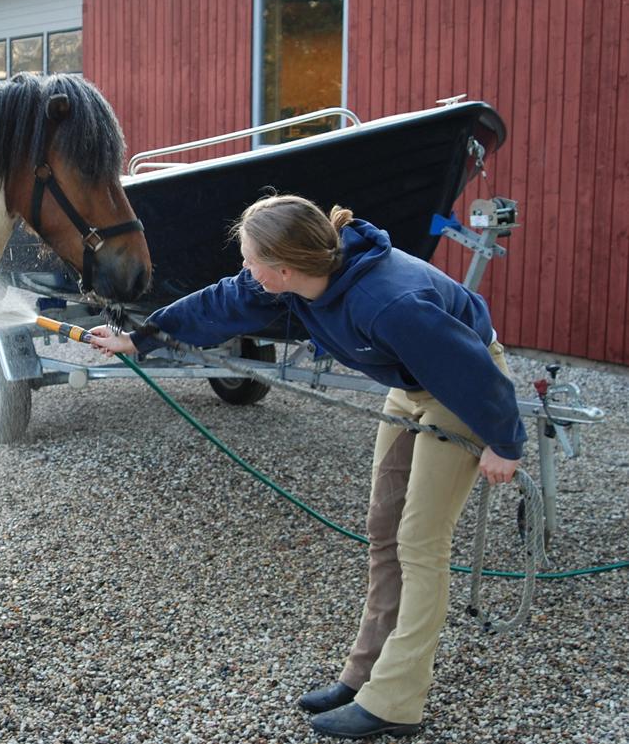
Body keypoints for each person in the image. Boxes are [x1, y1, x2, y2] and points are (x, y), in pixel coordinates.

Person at [89, 194, 525, 740]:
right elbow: (224, 301)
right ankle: (363, 676)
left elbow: (475, 372)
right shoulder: (299, 280)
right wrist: (142, 338)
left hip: (459, 391)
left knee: (420, 543)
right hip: (408, 386)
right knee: (383, 532)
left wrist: (505, 443)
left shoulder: (390, 303)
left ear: (285, 267)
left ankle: (396, 701)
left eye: (250, 260)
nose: (246, 271)